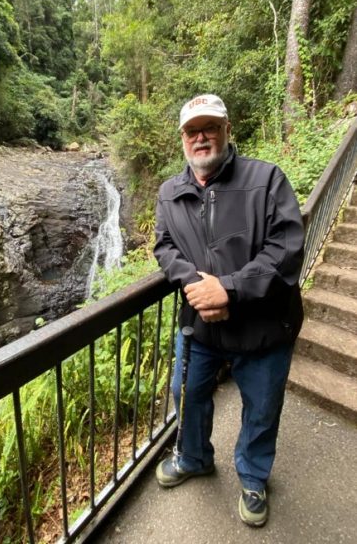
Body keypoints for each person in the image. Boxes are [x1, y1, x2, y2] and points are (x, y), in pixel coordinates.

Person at [154, 94, 304, 527]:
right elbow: (164, 246)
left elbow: (287, 247)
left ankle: (254, 476)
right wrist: (196, 285)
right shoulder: (170, 192)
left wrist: (230, 290)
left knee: (261, 408)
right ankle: (195, 456)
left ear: (226, 130)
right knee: (187, 394)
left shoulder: (267, 179)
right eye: (192, 131)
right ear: (182, 138)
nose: (201, 137)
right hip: (201, 330)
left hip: (263, 330)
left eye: (209, 128)